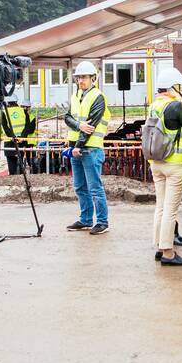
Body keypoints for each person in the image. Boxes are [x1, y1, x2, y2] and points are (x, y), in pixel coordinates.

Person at [148, 68, 182, 267]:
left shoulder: (154, 104)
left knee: (160, 206)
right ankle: (168, 252)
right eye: (180, 85)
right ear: (173, 87)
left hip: (156, 162)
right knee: (171, 209)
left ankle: (159, 246)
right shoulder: (175, 106)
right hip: (175, 163)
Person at [64, 61, 112, 235]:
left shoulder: (98, 97)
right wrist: (78, 125)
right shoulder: (75, 95)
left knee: (94, 187)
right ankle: (85, 219)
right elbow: (67, 117)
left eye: (84, 77)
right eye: (78, 77)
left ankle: (102, 222)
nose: (81, 80)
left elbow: (91, 126)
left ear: (93, 78)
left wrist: (78, 145)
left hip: (90, 148)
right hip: (77, 148)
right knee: (80, 187)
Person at [0, 95, 34, 176]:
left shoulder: (4, 112)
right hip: (21, 140)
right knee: (20, 160)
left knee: (11, 162)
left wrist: (12, 137)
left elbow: (5, 127)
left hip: (9, 140)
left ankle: (12, 176)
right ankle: (20, 177)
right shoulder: (23, 111)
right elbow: (27, 126)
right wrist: (21, 137)